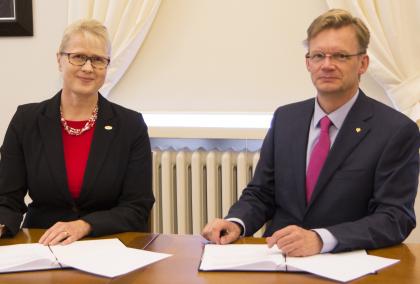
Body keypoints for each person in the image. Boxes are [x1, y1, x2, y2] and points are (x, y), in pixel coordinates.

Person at [202, 9, 419, 256]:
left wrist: (321, 239)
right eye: (318, 55)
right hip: (279, 258)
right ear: (308, 63)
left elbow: (394, 218)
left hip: (348, 262)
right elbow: (261, 192)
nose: (327, 65)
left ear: (363, 63)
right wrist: (236, 222)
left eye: (340, 56)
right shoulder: (286, 118)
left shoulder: (396, 130)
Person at [0, 19, 154, 245]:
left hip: (108, 244)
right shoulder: (26, 120)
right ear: (59, 60)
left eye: (98, 60)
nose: (88, 68)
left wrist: (85, 225)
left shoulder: (131, 125)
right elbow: (7, 198)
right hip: (42, 243)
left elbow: (137, 206)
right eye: (79, 56)